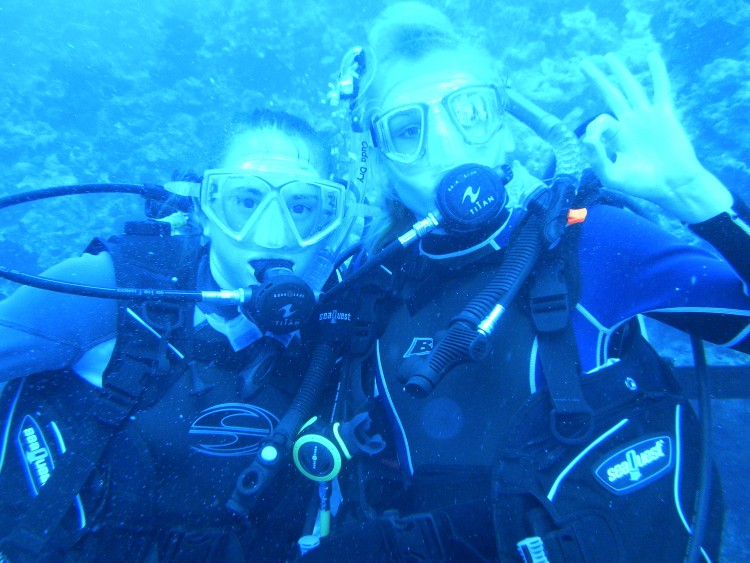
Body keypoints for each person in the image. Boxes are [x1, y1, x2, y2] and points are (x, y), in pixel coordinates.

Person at [294, 3, 750, 562]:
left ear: (503, 125)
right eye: (407, 128)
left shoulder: (591, 242)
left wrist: (700, 199)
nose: (445, 143)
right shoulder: (365, 287)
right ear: (380, 158)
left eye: (471, 110)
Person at [0, 110, 358, 562]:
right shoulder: (107, 290)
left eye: (302, 206)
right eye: (246, 201)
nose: (272, 233)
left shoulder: (340, 333)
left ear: (333, 223)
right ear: (204, 209)